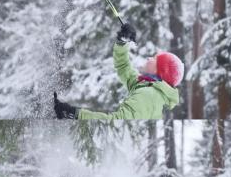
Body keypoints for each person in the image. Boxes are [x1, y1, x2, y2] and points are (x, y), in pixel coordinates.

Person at [54, 23, 183, 120]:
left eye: (154, 59)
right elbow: (123, 67)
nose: (149, 58)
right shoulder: (147, 86)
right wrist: (122, 43)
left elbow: (114, 122)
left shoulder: (148, 95)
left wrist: (76, 114)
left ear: (160, 72)